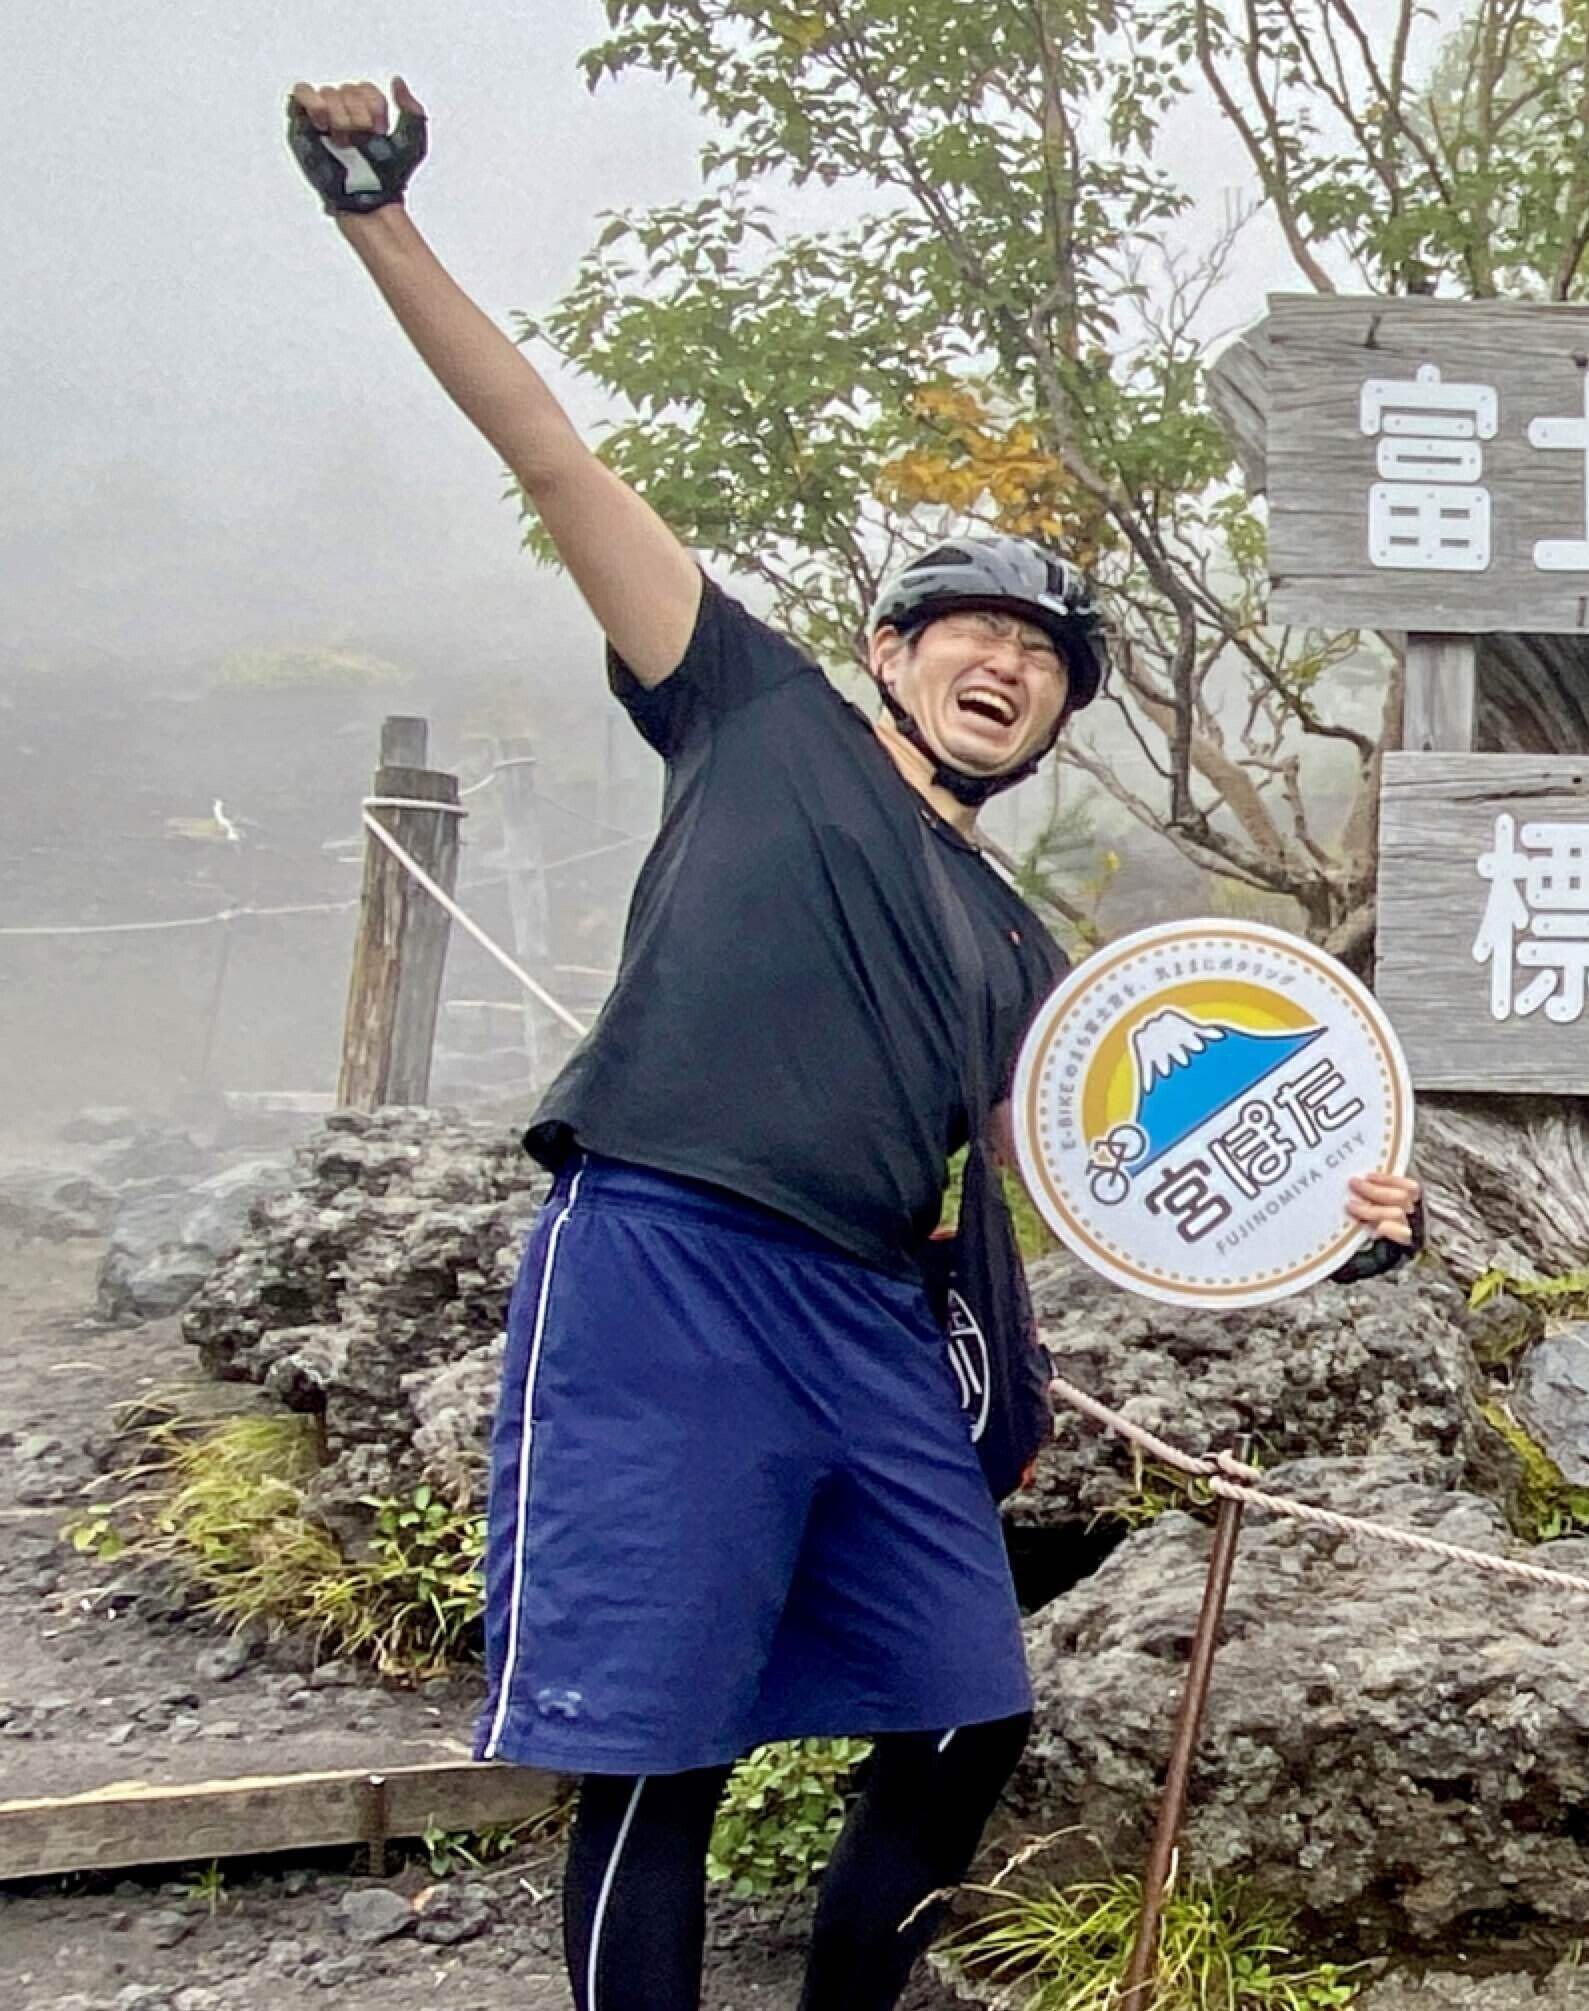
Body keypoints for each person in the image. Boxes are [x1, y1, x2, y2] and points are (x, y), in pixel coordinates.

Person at [287, 78, 1426, 2010]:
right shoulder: (750, 710)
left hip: (881, 1333)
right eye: (973, 628)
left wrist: (1342, 1211)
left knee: (969, 1712)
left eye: (1048, 656)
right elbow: (553, 455)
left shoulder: (1016, 935)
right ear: (892, 649)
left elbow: (1107, 1170)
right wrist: (376, 211)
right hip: (669, 1263)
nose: (1009, 661)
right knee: (660, 1757)